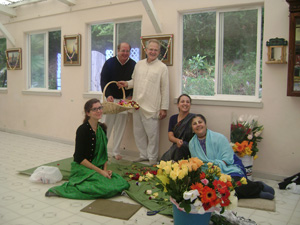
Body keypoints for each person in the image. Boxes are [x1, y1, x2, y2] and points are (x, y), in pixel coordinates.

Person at [45, 98, 130, 199]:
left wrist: (105, 170)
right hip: (83, 168)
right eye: (94, 109)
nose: (98, 111)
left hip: (98, 167)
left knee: (121, 182)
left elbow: (103, 154)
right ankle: (60, 190)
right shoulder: (82, 130)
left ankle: (102, 180)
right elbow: (79, 158)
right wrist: (100, 171)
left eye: (100, 108)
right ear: (88, 113)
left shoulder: (102, 128)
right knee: (101, 186)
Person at [189, 114, 275, 200]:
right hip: (208, 173)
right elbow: (198, 163)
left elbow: (228, 158)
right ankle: (257, 193)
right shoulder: (192, 144)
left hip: (227, 168)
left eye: (200, 122)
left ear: (205, 124)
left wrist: (216, 167)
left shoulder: (219, 138)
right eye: (195, 123)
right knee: (215, 192)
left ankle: (259, 187)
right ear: (192, 128)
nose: (198, 125)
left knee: (234, 184)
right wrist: (210, 173)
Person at [118, 39, 169, 165]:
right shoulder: (139, 64)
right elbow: (134, 81)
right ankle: (143, 154)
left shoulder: (162, 68)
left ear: (159, 52)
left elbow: (165, 88)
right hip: (136, 105)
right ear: (146, 50)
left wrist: (164, 108)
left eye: (155, 50)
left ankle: (152, 158)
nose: (152, 52)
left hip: (152, 107)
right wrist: (126, 84)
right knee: (138, 133)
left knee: (152, 135)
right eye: (150, 49)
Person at [100, 42, 136, 160]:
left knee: (120, 127)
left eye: (127, 51)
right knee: (107, 126)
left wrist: (130, 96)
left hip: (124, 101)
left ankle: (116, 151)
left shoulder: (133, 64)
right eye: (123, 51)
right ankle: (102, 151)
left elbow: (135, 82)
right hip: (110, 100)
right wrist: (108, 95)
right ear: (118, 51)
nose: (125, 53)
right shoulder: (109, 63)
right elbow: (104, 81)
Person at [160, 94, 194, 161]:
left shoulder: (193, 119)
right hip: (176, 146)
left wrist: (182, 143)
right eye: (182, 101)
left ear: (190, 105)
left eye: (187, 102)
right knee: (163, 161)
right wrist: (177, 141)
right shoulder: (173, 118)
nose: (185, 103)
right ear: (178, 104)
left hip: (189, 148)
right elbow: (170, 136)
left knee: (182, 146)